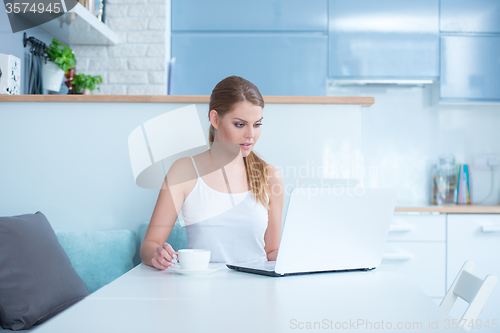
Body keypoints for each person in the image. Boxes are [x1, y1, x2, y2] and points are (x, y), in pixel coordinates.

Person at [140, 76, 284, 270]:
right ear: (215, 119)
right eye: (240, 124)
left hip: (256, 287)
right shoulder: (185, 171)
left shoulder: (269, 175)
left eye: (257, 124)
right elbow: (149, 245)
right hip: (202, 288)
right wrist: (157, 254)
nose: (251, 135)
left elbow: (271, 253)